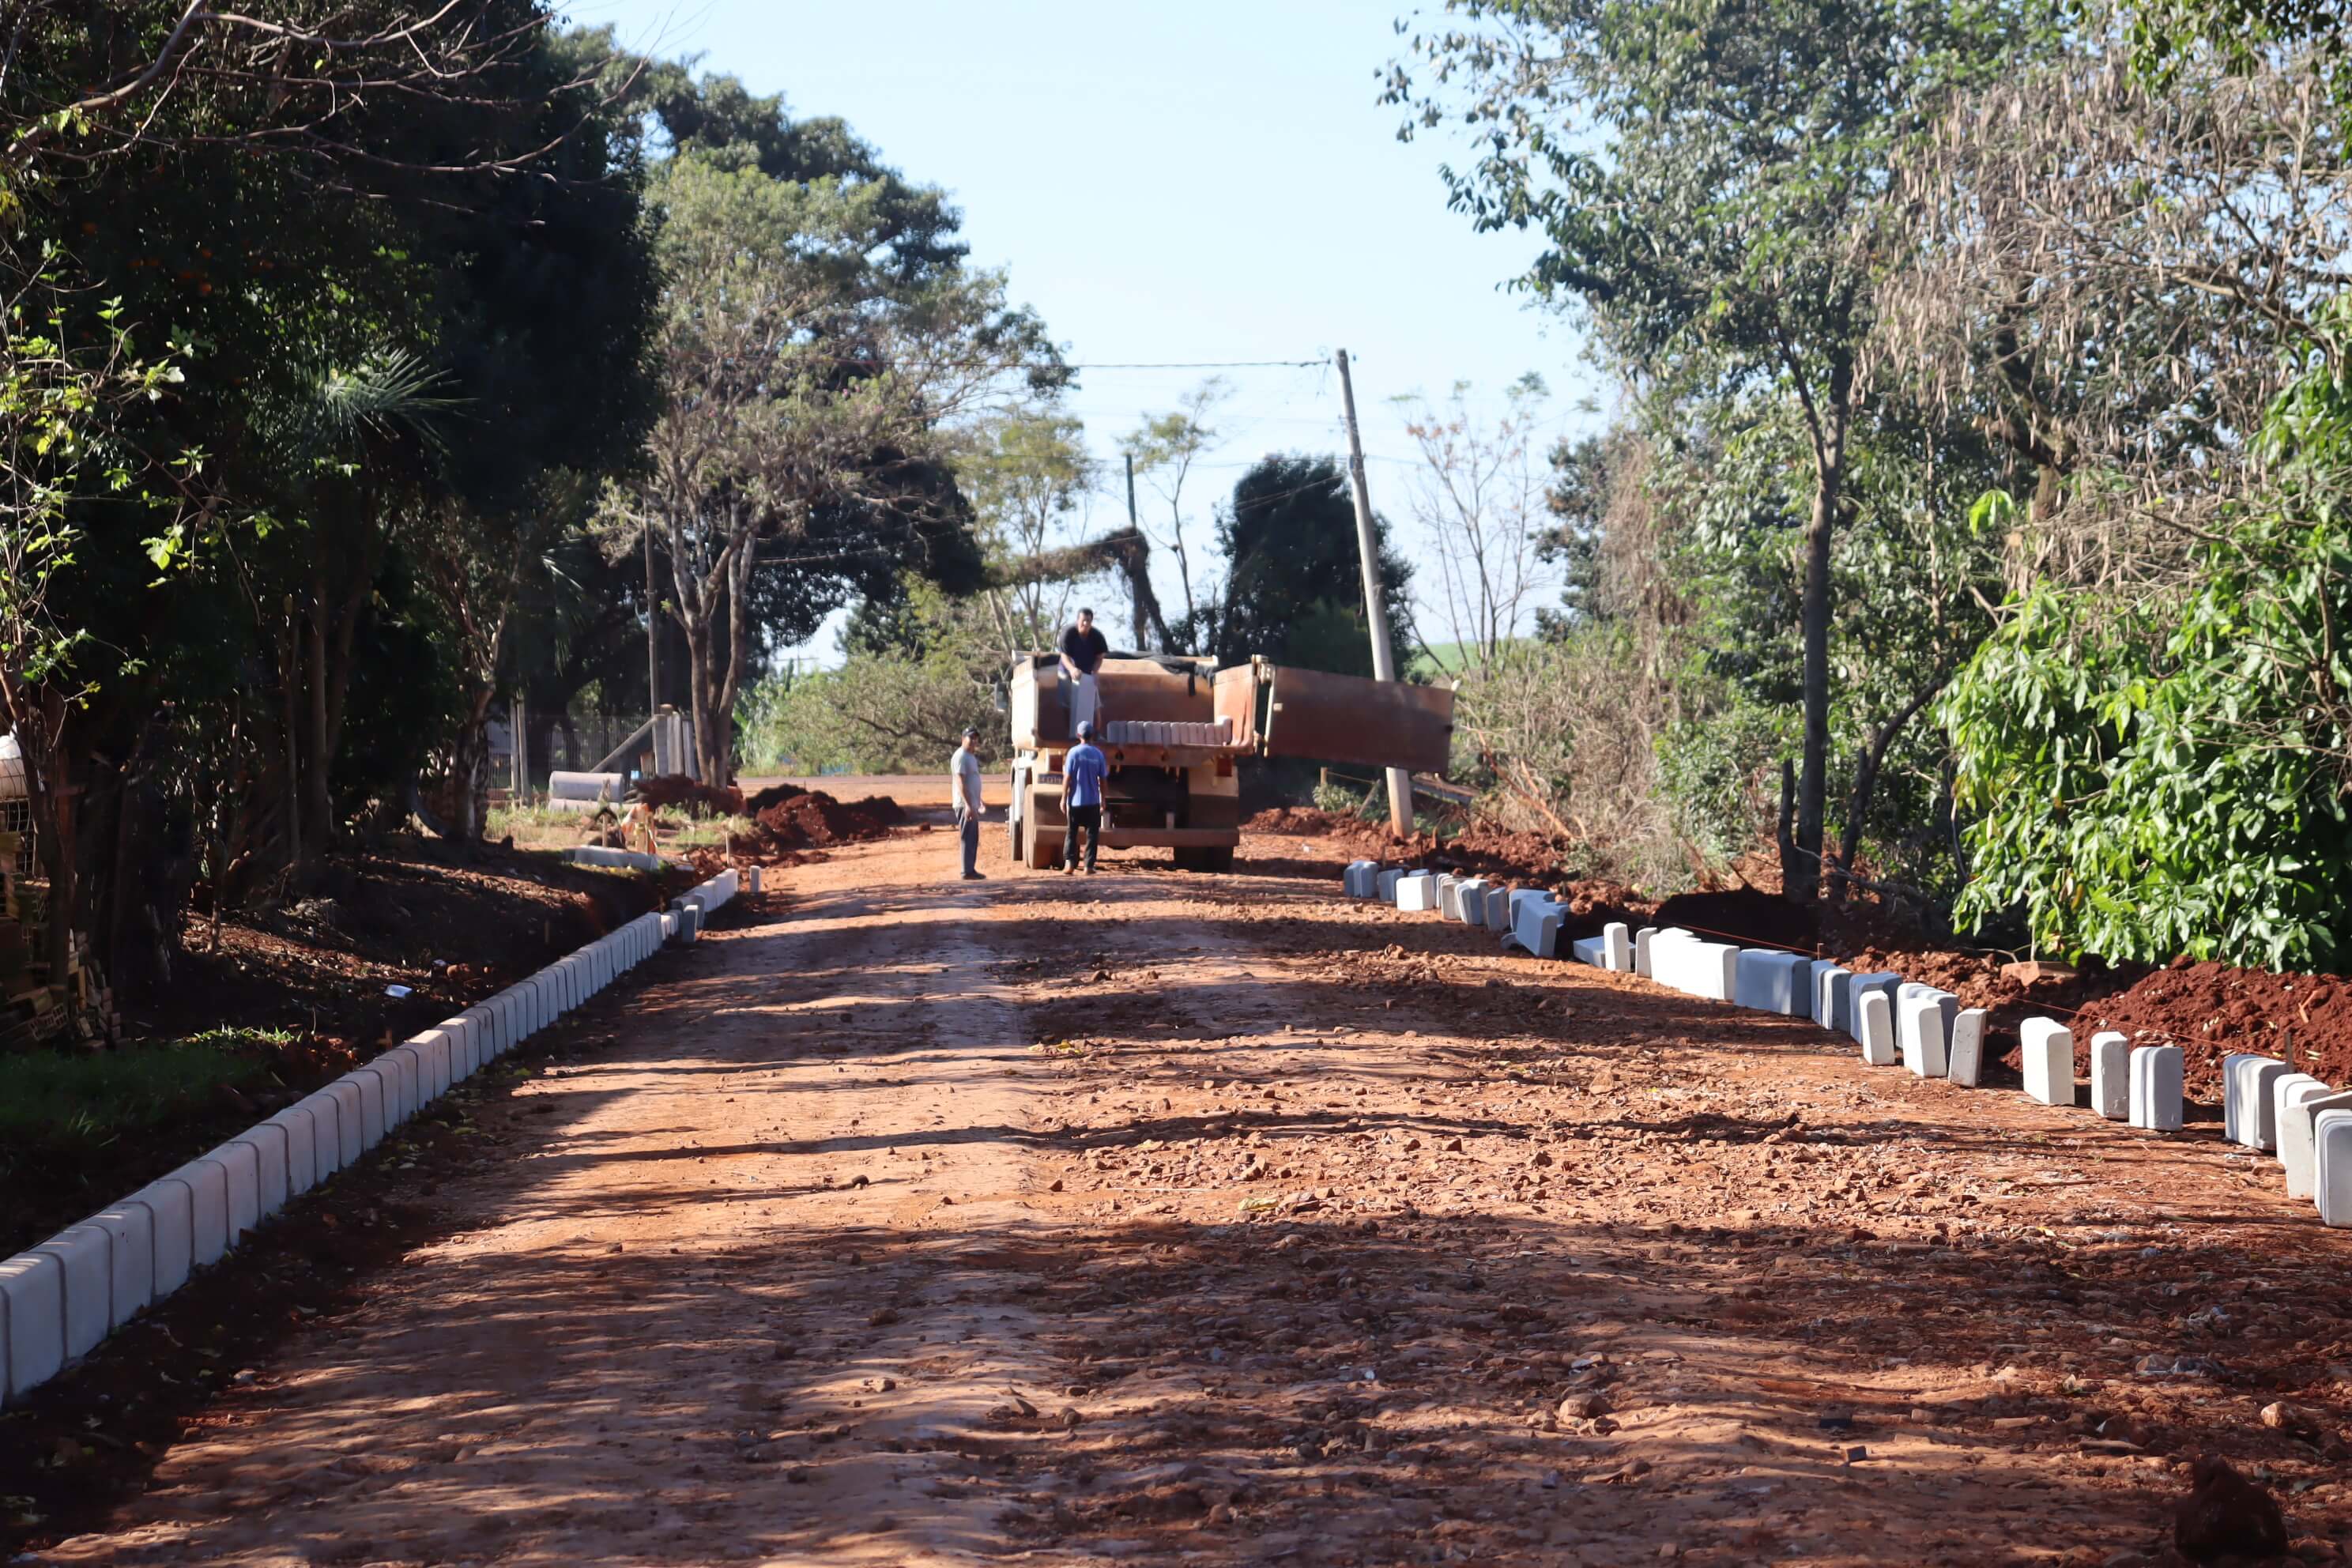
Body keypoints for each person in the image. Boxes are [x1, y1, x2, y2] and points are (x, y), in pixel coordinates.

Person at [1061, 720, 1107, 875]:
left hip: (1075, 801)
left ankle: (1069, 864)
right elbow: (1103, 780)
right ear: (1092, 735)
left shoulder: (1073, 753)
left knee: (1071, 833)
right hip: (1093, 801)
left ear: (1078, 735)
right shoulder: (1098, 754)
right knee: (1092, 834)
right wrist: (1104, 799)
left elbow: (1067, 778)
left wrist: (1063, 798)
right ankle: (1088, 866)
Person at [1057, 606, 1110, 738]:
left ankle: (1096, 734)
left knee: (1096, 706)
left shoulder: (1097, 636)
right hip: (1067, 670)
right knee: (1067, 704)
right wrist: (1072, 669)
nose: (1085, 624)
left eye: (1088, 621)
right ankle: (1070, 734)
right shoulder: (1068, 633)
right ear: (1078, 620)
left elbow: (1099, 657)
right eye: (1083, 620)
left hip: (1087, 673)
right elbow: (1064, 656)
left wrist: (1095, 671)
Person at [951, 726, 986, 880]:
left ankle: (970, 869)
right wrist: (967, 805)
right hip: (965, 804)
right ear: (963, 739)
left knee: (973, 836)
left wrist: (979, 801)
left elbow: (972, 781)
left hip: (972, 803)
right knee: (968, 836)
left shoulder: (970, 756)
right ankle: (967, 871)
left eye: (976, 738)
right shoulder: (961, 756)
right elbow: (960, 782)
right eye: (971, 738)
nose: (974, 741)